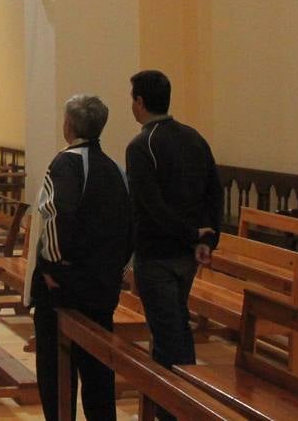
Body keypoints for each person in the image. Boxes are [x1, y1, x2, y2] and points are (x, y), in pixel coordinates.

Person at [29, 95, 133, 421]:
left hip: (66, 288)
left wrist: (53, 267)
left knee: (56, 370)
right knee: (98, 369)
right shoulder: (115, 168)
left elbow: (58, 214)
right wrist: (118, 269)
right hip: (103, 286)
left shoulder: (67, 163)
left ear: (69, 125)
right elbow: (129, 223)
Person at [125, 70, 222, 378]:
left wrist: (193, 234)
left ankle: (177, 403)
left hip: (157, 255)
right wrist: (206, 239)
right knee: (177, 324)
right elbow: (214, 193)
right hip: (188, 254)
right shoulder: (194, 137)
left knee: (168, 336)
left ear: (140, 102)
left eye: (132, 99)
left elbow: (151, 206)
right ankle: (185, 396)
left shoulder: (141, 146)